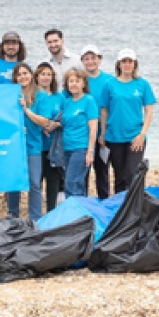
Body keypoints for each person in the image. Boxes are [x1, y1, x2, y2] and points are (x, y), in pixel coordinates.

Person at [98, 49, 156, 195]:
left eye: (130, 61)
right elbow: (104, 110)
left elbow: (149, 110)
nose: (127, 64)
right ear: (119, 64)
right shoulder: (109, 84)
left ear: (134, 64)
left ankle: (133, 208)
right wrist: (103, 133)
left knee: (132, 174)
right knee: (119, 177)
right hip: (114, 136)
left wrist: (142, 134)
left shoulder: (142, 84)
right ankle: (120, 209)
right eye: (124, 61)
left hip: (135, 136)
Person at [11, 63, 47, 221]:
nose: (22, 77)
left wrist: (26, 110)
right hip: (14, 146)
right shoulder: (10, 94)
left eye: (25, 73)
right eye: (19, 75)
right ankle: (13, 215)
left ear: (31, 75)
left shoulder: (40, 95)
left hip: (33, 145)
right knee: (14, 181)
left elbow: (44, 121)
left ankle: (36, 218)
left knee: (34, 183)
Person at [81, 44, 114, 199]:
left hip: (103, 132)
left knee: (102, 169)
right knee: (84, 170)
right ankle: (83, 204)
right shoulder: (80, 80)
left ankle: (104, 200)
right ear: (82, 61)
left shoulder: (109, 80)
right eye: (86, 59)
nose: (90, 62)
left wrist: (105, 132)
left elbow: (113, 106)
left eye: (93, 58)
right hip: (84, 133)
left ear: (99, 59)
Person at [60, 68, 99, 199]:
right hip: (66, 149)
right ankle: (81, 214)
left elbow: (93, 128)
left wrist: (90, 152)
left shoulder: (89, 101)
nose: (74, 84)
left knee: (72, 183)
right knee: (75, 184)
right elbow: (63, 124)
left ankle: (77, 215)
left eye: (77, 81)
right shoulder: (66, 102)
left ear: (83, 84)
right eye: (71, 81)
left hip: (81, 149)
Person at [34, 62, 64, 212]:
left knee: (53, 179)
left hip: (54, 145)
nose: (45, 78)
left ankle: (51, 210)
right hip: (37, 144)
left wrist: (55, 125)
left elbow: (66, 116)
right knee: (36, 180)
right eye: (42, 74)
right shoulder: (33, 95)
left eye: (48, 75)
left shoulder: (60, 97)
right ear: (37, 77)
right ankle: (37, 211)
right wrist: (43, 125)